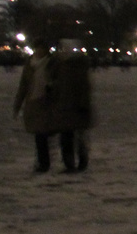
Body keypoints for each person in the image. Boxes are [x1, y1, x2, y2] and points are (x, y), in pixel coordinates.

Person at [47, 39, 93, 171]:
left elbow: (83, 88)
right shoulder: (61, 65)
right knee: (68, 138)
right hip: (66, 106)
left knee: (75, 138)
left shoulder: (75, 67)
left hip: (75, 107)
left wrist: (83, 105)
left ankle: (78, 162)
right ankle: (71, 163)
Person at [12, 40, 58, 172]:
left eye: (42, 48)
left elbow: (58, 82)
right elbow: (23, 86)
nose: (40, 51)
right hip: (32, 102)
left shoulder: (52, 64)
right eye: (38, 48)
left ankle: (44, 163)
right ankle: (42, 162)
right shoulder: (30, 64)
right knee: (38, 135)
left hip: (46, 102)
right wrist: (17, 105)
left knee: (42, 134)